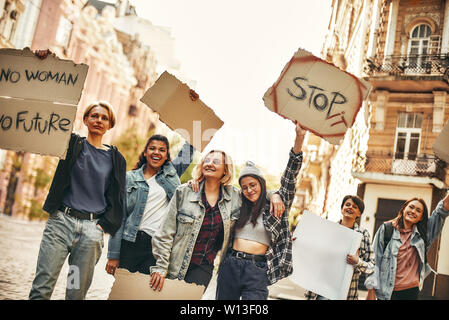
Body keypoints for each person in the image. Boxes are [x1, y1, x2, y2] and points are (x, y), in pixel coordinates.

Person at [29, 99, 126, 300]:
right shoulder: (71, 144)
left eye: (104, 118)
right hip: (60, 225)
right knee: (42, 286)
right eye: (94, 116)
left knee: (74, 293)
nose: (99, 120)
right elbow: (45, 122)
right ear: (85, 119)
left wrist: (104, 226)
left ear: (110, 125)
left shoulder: (115, 159)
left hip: (90, 234)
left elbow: (118, 197)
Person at [149, 149, 285, 291]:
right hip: (173, 264)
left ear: (225, 170)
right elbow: (165, 232)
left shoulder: (234, 197)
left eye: (216, 162)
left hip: (203, 267)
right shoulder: (184, 192)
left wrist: (274, 195)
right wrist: (161, 266)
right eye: (206, 160)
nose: (210, 164)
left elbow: (255, 194)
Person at [215, 122, 305, 300]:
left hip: (257, 270)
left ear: (261, 184)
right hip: (230, 265)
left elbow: (289, 177)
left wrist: (299, 139)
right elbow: (215, 188)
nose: (249, 190)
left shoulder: (276, 207)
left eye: (253, 185)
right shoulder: (239, 205)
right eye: (245, 187)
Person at [105, 135, 194, 276]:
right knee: (123, 291)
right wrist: (113, 254)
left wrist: (198, 125)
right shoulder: (129, 178)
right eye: (152, 148)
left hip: (157, 246)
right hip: (130, 244)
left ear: (166, 156)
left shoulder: (171, 175)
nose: (156, 152)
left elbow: (189, 150)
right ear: (145, 152)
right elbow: (119, 217)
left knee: (146, 292)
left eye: (162, 150)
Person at [367, 193, 449, 300]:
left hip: (411, 292)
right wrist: (370, 290)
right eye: (411, 207)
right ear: (403, 209)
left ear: (421, 218)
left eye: (418, 211)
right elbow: (374, 261)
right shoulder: (386, 229)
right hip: (387, 292)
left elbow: (441, 211)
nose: (413, 211)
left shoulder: (423, 234)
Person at [304, 195, 375, 300]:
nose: (350, 207)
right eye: (347, 204)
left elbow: (371, 267)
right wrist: (298, 242)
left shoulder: (363, 235)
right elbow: (313, 253)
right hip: (321, 290)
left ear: (359, 213)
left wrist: (358, 261)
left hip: (346, 293)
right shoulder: (328, 230)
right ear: (342, 209)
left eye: (354, 207)